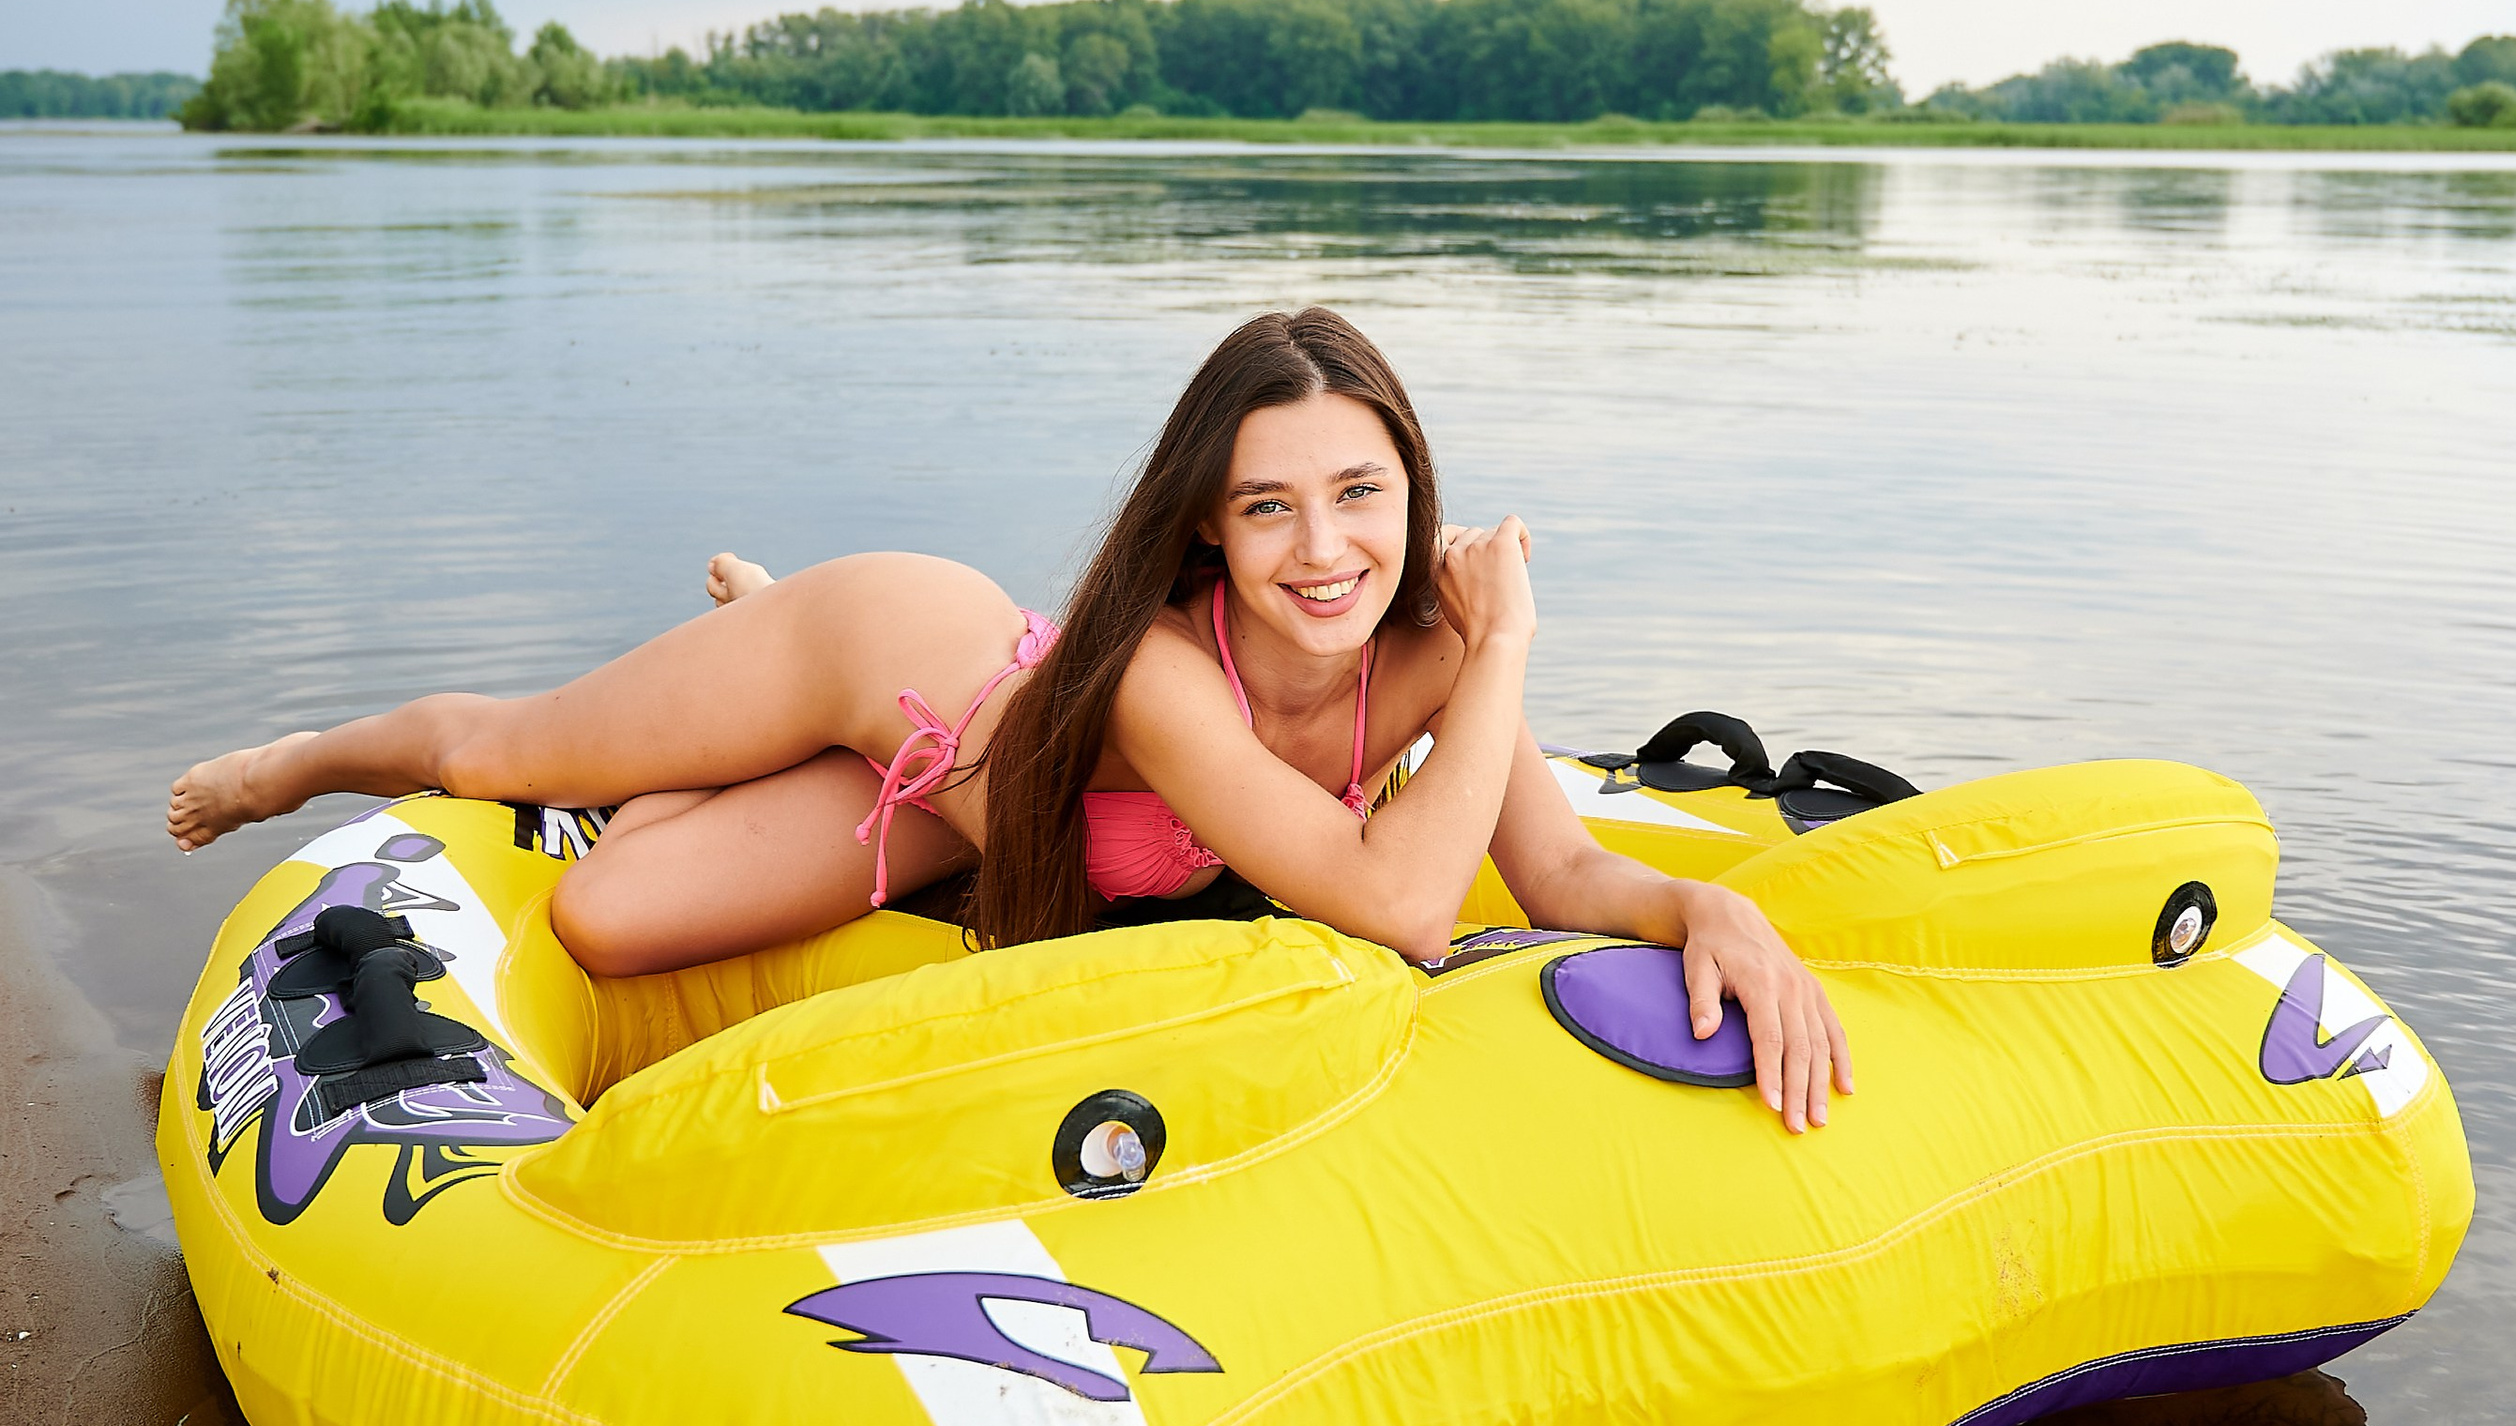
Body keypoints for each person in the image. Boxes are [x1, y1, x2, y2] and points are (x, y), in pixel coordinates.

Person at [168, 306, 1850, 1126]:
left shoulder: (1430, 650)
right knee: (499, 758)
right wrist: (1515, 636)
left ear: (1415, 486)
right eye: (1268, 507)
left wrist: (1708, 907)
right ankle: (293, 760)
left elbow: (1559, 871)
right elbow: (1408, 906)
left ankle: (754, 668)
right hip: (901, 659)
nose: (1325, 549)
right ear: (1207, 527)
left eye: (1360, 492)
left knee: (609, 912)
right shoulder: (1165, 673)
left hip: (965, 797)